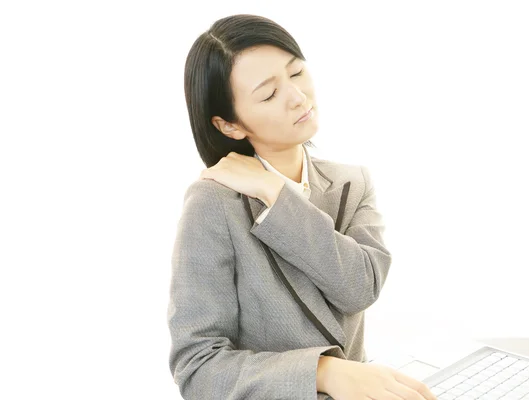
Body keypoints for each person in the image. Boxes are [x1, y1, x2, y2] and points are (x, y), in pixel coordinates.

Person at [168, 13, 438, 400]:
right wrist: (323, 372)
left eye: (295, 74)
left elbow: (361, 287)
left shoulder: (352, 182)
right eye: (268, 94)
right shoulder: (212, 204)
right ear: (230, 126)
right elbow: (198, 366)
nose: (298, 97)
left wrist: (275, 193)